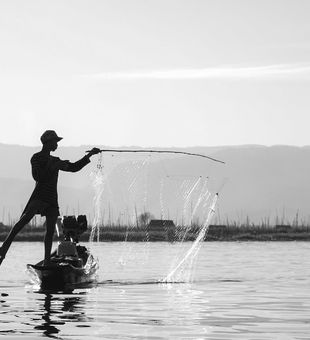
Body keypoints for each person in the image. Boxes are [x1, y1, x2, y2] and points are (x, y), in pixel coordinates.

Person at [0, 130, 100, 266]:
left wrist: (90, 155)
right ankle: (3, 250)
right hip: (39, 197)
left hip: (52, 200)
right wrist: (52, 167)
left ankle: (47, 261)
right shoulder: (36, 158)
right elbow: (38, 176)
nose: (57, 145)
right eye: (55, 142)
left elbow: (74, 168)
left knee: (50, 232)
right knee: (21, 224)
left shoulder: (55, 160)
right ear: (48, 143)